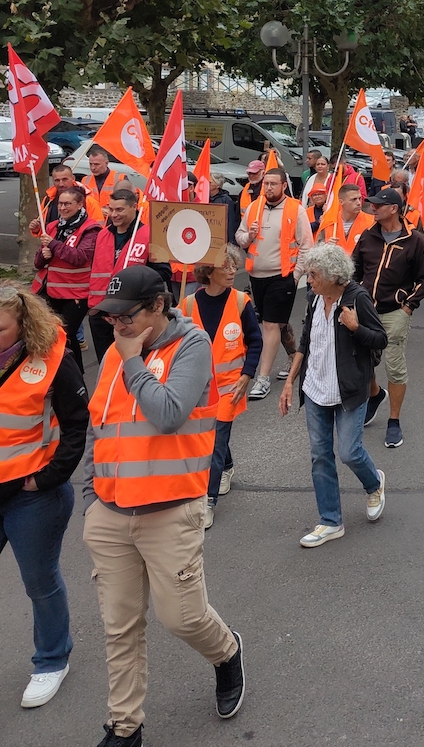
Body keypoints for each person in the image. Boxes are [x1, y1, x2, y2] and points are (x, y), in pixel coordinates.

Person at [83, 265, 245, 745]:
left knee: (182, 617)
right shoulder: (118, 350)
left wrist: (133, 361)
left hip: (170, 510)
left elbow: (169, 413)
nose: (117, 326)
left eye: (126, 316)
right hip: (111, 512)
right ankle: (125, 727)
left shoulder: (191, 344)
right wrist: (92, 498)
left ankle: (226, 652)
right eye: (111, 318)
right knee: (120, 627)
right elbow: (100, 424)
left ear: (158, 305)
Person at [0, 286, 88, 710]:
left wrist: (49, 478)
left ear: (23, 325)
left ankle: (52, 659)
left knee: (39, 581)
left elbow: (77, 424)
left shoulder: (54, 360)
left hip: (30, 496)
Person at [278, 243, 387, 546]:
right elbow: (305, 342)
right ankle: (330, 521)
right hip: (315, 388)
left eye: (313, 275)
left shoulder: (357, 298)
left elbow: (381, 339)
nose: (309, 280)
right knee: (320, 456)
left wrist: (355, 327)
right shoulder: (314, 299)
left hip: (348, 390)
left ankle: (374, 483)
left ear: (332, 275)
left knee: (350, 452)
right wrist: (290, 382)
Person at [179, 247, 261, 528]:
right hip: (198, 389)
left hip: (229, 387)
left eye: (233, 266)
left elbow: (255, 340)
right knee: (213, 438)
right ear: (208, 271)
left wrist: (247, 375)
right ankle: (226, 466)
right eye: (225, 267)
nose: (232, 271)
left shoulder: (240, 301)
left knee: (214, 441)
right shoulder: (188, 305)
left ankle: (208, 501)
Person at [353, 188, 424, 448]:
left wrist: (408, 306)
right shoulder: (368, 235)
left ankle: (394, 421)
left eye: (378, 205)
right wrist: (353, 299)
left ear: (394, 209)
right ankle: (375, 394)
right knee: (363, 362)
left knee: (394, 366)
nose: (372, 208)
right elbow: (354, 270)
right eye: (372, 204)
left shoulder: (414, 239)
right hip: (365, 311)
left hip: (395, 313)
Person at [236, 167, 313, 400]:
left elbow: (306, 246)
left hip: (282, 277)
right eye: (265, 184)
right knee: (278, 324)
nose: (268, 188)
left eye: (273, 184)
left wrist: (296, 276)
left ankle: (262, 378)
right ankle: (295, 357)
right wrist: (249, 236)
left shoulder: (295, 210)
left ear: (283, 186)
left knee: (269, 325)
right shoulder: (254, 207)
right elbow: (239, 237)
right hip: (256, 276)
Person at [31, 185, 101, 373]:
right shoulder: (52, 226)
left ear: (80, 204)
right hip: (51, 291)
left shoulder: (91, 229)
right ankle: (62, 376)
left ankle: (75, 376)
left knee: (66, 336)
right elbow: (38, 263)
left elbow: (80, 257)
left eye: (67, 204)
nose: (62, 208)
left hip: (75, 294)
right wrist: (43, 255)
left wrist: (53, 245)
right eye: (60, 204)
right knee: (54, 337)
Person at [87, 186, 151, 363]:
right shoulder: (102, 234)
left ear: (134, 207)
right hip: (101, 310)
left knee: (131, 362)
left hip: (131, 313)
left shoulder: (148, 235)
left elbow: (161, 274)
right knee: (105, 362)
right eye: (111, 209)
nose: (114, 215)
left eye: (120, 210)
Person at [33, 162, 103, 228]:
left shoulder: (87, 201)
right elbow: (44, 227)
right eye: (57, 180)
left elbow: (97, 229)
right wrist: (37, 229)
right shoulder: (48, 200)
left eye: (65, 179)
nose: (61, 184)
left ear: (73, 178)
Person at [320, 183, 374, 254]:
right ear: (341, 202)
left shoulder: (372, 222)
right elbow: (317, 251)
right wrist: (326, 247)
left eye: (359, 198)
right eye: (353, 199)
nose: (358, 203)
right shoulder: (328, 222)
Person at [83, 148, 129, 220]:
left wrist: (112, 212)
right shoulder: (85, 180)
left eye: (97, 164)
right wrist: (99, 210)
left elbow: (127, 204)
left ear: (106, 163)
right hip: (92, 222)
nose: (93, 168)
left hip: (113, 222)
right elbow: (81, 204)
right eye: (90, 164)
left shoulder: (120, 178)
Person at [208, 174, 238, 243]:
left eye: (210, 182)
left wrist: (231, 240)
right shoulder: (205, 197)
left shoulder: (226, 200)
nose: (207, 184)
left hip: (220, 235)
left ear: (217, 185)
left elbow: (230, 221)